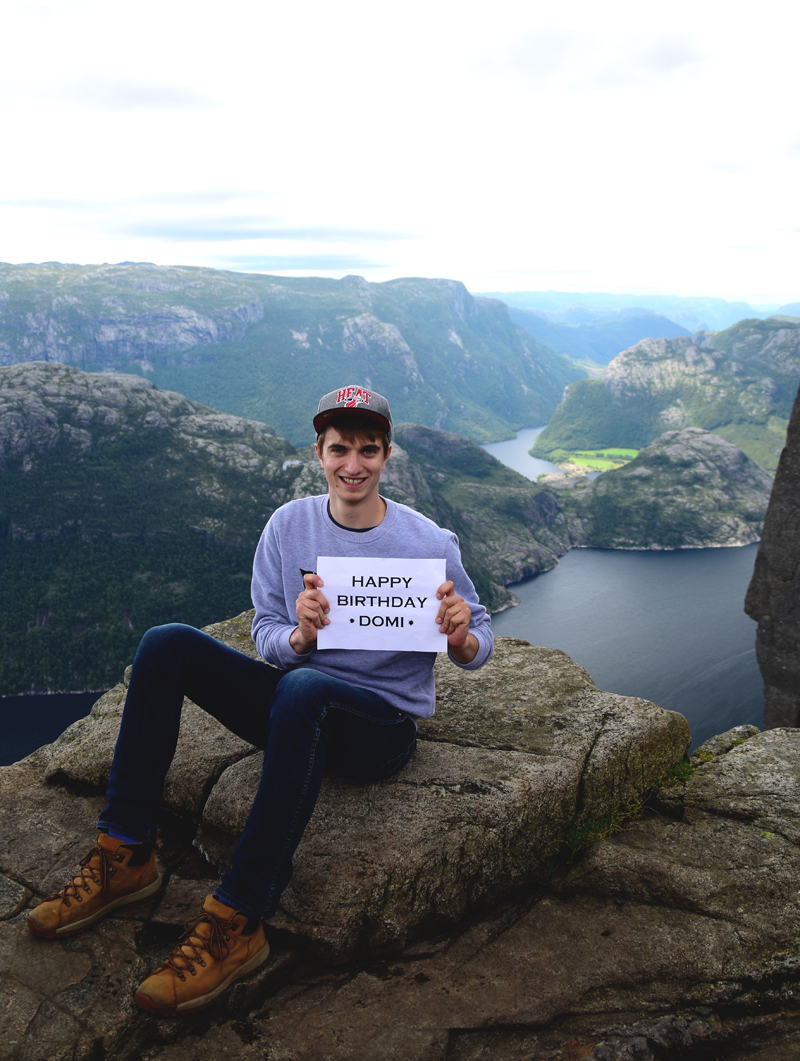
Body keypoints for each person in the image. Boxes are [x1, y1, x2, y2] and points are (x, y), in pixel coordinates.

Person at [27, 385, 493, 1016]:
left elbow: (479, 633)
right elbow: (267, 633)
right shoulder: (288, 525)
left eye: (367, 450)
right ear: (319, 453)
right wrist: (299, 634)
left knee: (303, 689)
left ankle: (241, 916)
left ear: (387, 455)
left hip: (378, 729)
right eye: (339, 449)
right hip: (297, 705)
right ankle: (127, 853)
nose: (352, 465)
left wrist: (463, 637)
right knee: (166, 644)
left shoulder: (428, 540)